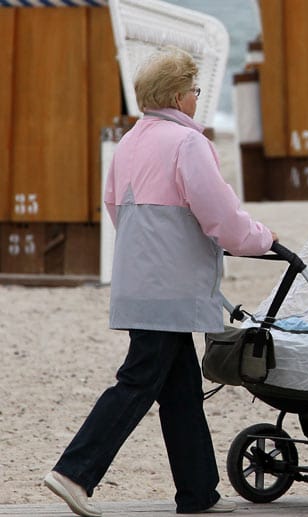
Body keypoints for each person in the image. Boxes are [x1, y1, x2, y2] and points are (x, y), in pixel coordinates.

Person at [44, 47, 276, 516]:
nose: (197, 97)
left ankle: (199, 492)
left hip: (138, 283)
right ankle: (74, 473)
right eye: (194, 90)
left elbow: (116, 209)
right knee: (139, 380)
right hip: (171, 288)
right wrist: (263, 239)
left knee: (180, 388)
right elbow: (220, 217)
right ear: (177, 95)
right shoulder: (187, 144)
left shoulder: (129, 142)